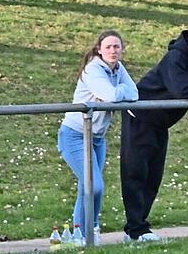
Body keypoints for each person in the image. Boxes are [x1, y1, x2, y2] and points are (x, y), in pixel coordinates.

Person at [120, 16, 188, 242]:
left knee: (153, 177)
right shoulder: (177, 57)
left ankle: (140, 228)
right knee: (136, 174)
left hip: (161, 123)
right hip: (141, 117)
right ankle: (135, 229)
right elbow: (183, 90)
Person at [58, 31, 138, 243]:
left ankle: (79, 236)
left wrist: (118, 90)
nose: (113, 51)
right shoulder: (93, 69)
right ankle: (90, 231)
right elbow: (110, 96)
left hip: (98, 138)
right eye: (109, 47)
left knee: (87, 187)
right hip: (75, 135)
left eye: (117, 47)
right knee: (94, 185)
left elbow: (135, 93)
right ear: (99, 49)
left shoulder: (118, 69)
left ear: (122, 49)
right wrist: (120, 92)